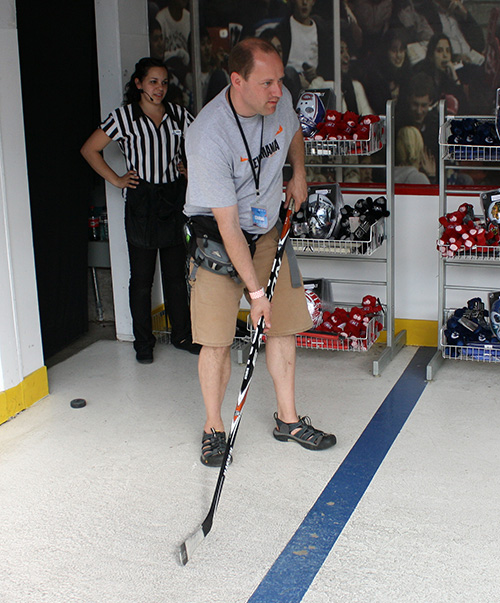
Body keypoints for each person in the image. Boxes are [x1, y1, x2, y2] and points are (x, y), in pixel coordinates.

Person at [184, 38, 337, 467]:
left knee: (284, 327)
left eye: (280, 80)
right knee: (215, 342)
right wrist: (255, 295)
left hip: (268, 231)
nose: (278, 90)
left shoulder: (279, 100)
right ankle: (214, 428)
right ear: (237, 81)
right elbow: (228, 224)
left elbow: (293, 132)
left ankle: (287, 420)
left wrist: (300, 173)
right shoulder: (208, 133)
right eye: (267, 82)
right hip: (217, 241)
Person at [81, 57, 200, 364]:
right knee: (142, 279)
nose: (159, 88)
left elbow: (203, 139)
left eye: (163, 82)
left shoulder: (177, 115)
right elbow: (89, 149)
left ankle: (182, 335)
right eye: (152, 82)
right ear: (138, 84)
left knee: (176, 276)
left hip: (173, 198)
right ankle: (142, 343)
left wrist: (191, 168)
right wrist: (117, 179)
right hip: (142, 201)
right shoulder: (124, 117)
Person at [363, 28, 414, 115]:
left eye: (401, 50)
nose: (398, 55)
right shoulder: (375, 78)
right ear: (385, 52)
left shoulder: (408, 75)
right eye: (394, 51)